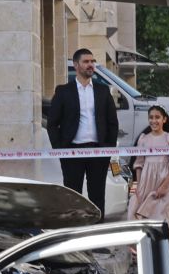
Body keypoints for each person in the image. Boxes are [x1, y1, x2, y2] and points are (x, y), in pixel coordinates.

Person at [48, 48, 120, 217]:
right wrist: (60, 149)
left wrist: (108, 149)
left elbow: (112, 123)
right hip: (72, 152)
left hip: (98, 151)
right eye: (86, 62)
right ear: (76, 65)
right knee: (73, 197)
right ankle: (73, 234)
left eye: (92, 61)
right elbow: (52, 124)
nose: (90, 65)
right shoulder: (64, 91)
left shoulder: (103, 91)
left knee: (97, 197)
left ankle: (96, 235)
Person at [128, 105, 169, 241]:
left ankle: (168, 257)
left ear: (164, 119)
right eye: (151, 117)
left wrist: (164, 186)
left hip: (164, 182)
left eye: (157, 117)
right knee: (135, 215)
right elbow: (139, 164)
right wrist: (139, 186)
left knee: (166, 222)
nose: (154, 121)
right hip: (146, 183)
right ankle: (142, 255)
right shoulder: (143, 139)